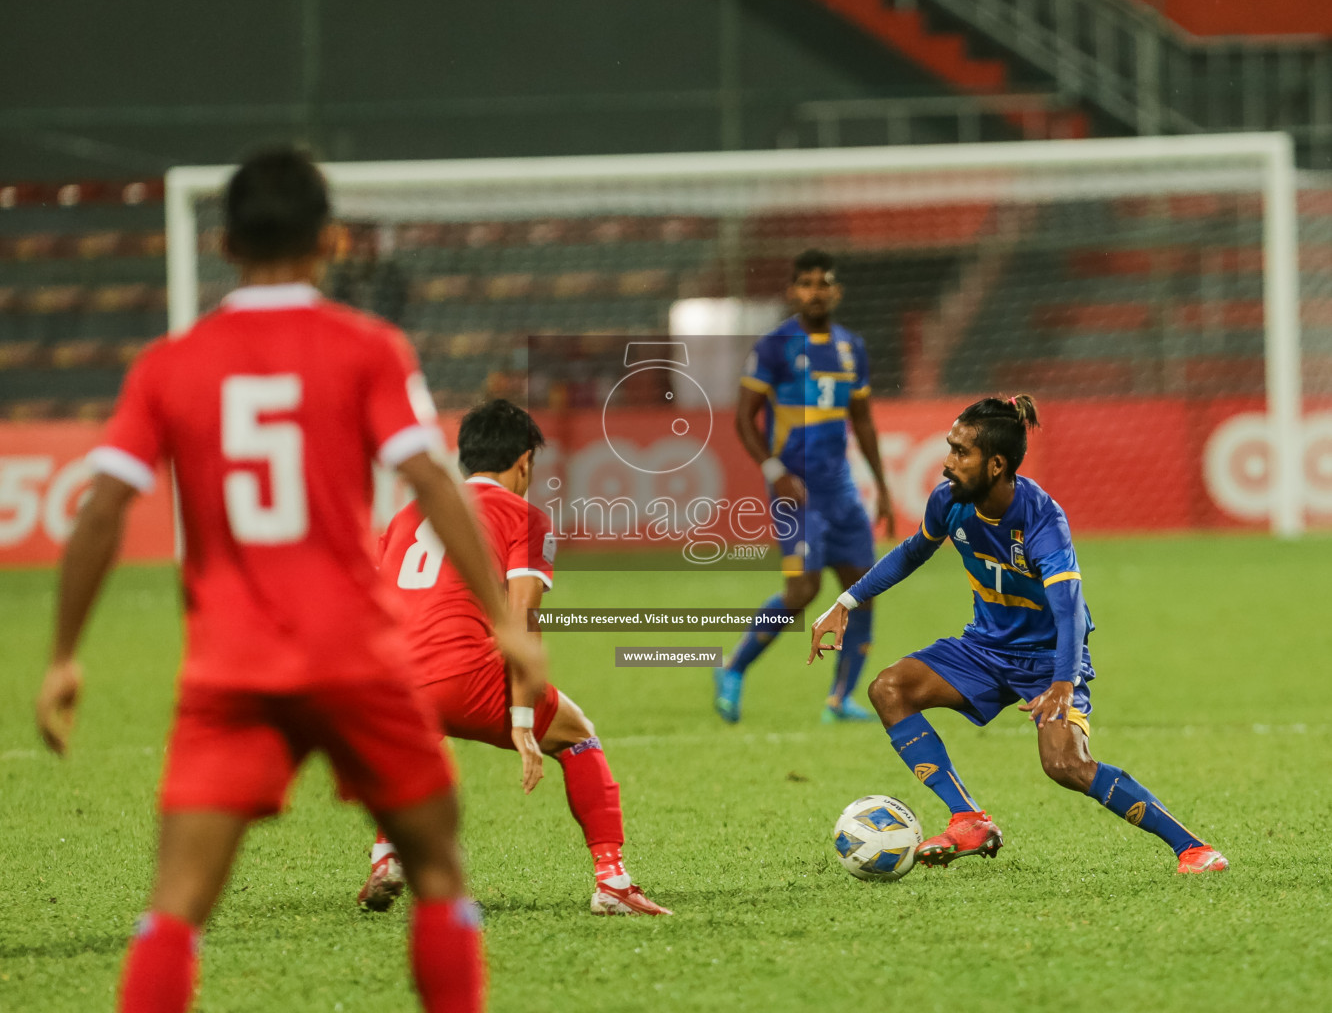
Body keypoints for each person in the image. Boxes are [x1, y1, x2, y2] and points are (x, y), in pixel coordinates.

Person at [33, 147, 548, 1013]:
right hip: (357, 657)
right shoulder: (368, 349)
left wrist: (61, 655)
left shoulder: (170, 364)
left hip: (231, 667)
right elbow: (432, 482)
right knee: (436, 871)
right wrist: (503, 624)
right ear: (332, 241)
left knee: (176, 906)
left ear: (225, 243)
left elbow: (102, 510)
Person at [807, 395, 1228, 874]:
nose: (947, 462)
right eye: (949, 448)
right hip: (983, 648)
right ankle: (968, 819)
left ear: (996, 464)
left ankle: (1192, 848)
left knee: (1065, 765)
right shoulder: (949, 502)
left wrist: (1063, 682)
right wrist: (845, 603)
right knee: (889, 688)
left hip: (1048, 660)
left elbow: (1068, 610)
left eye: (961, 452)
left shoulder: (1042, 519)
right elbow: (911, 552)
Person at [359, 399, 672, 917]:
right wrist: (522, 721)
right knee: (578, 736)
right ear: (524, 461)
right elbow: (524, 618)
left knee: (417, 740)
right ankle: (612, 881)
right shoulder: (522, 516)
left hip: (393, 679)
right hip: (463, 675)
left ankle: (385, 856)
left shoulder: (409, 512)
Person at [715, 249, 894, 724]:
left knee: (863, 590)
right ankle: (732, 668)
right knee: (802, 592)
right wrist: (774, 470)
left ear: (837, 290)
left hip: (841, 490)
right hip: (796, 490)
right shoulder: (775, 346)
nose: (816, 291)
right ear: (793, 291)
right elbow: (742, 418)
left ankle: (840, 700)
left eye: (824, 282)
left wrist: (883, 487)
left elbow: (863, 420)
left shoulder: (852, 347)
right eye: (807, 283)